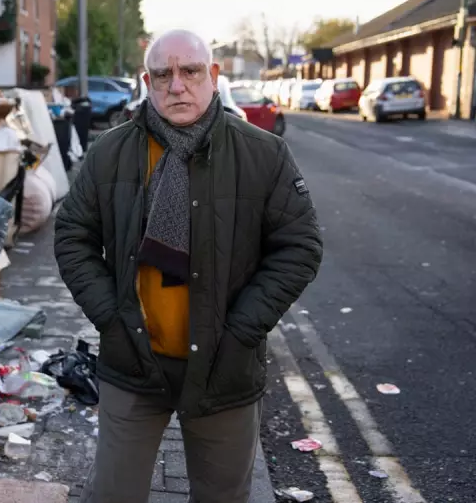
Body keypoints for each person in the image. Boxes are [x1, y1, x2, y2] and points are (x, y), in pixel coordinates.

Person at [53, 29, 323, 503]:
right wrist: (111, 319)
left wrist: (240, 332)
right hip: (132, 362)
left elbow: (299, 247)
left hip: (224, 370)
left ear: (213, 75)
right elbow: (73, 236)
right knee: (112, 495)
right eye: (163, 75)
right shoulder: (110, 153)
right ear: (147, 83)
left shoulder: (263, 154)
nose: (177, 86)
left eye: (191, 71)